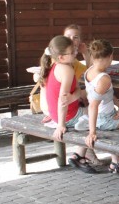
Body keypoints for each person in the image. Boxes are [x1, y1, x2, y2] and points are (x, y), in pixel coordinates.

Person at [76, 40, 119, 179]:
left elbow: (107, 94)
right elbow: (93, 105)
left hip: (102, 116)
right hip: (105, 120)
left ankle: (116, 162)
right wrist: (92, 132)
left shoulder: (89, 71)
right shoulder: (104, 78)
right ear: (111, 56)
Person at [39, 35, 94, 173]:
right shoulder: (67, 70)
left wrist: (76, 95)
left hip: (59, 113)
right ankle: (80, 155)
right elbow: (63, 100)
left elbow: (76, 90)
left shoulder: (57, 65)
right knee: (101, 116)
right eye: (72, 52)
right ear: (61, 57)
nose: (76, 53)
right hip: (68, 116)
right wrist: (61, 125)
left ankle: (80, 155)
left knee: (95, 110)